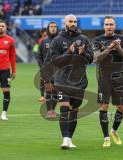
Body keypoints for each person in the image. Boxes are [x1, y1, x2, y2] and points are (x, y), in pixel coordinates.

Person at [41, 14, 93, 149]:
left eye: (75, 21)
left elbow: (90, 59)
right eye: (70, 21)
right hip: (62, 81)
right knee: (64, 108)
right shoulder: (57, 40)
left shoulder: (84, 39)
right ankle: (64, 139)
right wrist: (69, 52)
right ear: (64, 23)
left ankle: (69, 138)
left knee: (74, 111)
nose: (73, 23)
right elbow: (56, 61)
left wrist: (83, 54)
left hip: (80, 81)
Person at [93, 16, 123, 147]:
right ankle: (106, 138)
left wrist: (118, 48)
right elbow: (96, 59)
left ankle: (114, 131)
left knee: (121, 107)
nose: (109, 26)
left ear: (115, 26)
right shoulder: (98, 40)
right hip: (103, 77)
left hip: (118, 77)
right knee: (104, 105)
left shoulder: (122, 39)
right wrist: (109, 48)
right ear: (103, 26)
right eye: (106, 24)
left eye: (111, 24)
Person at [36, 21, 59, 119]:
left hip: (59, 71)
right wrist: (42, 68)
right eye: (51, 26)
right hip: (47, 70)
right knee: (49, 91)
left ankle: (52, 110)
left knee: (57, 93)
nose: (53, 28)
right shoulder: (44, 41)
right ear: (48, 28)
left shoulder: (60, 40)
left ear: (57, 28)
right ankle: (49, 111)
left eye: (55, 26)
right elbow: (39, 56)